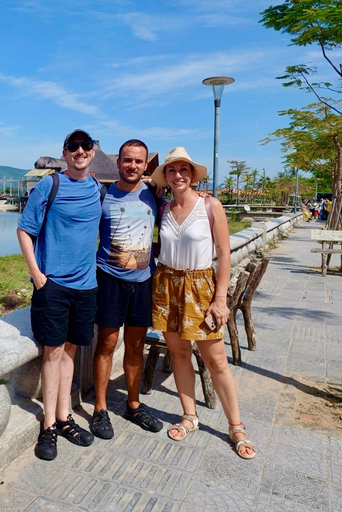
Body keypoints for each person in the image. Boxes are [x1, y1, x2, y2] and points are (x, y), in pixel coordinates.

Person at [150, 147, 257, 460]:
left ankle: (236, 426)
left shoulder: (211, 206)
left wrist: (220, 299)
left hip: (201, 288)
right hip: (168, 286)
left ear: (193, 175)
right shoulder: (163, 209)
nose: (179, 175)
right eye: (172, 170)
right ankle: (189, 415)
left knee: (216, 361)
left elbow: (224, 253)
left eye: (185, 170)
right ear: (166, 178)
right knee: (180, 353)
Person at [17, 129, 101, 460]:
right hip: (53, 286)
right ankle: (49, 425)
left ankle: (65, 418)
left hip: (86, 286)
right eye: (73, 146)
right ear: (65, 153)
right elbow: (24, 229)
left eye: (85, 146)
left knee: (69, 353)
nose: (80, 151)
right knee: (52, 354)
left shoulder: (96, 188)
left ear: (93, 152)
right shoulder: (48, 186)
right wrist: (38, 276)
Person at [90, 139, 163, 439]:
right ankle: (100, 409)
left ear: (146, 165)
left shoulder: (155, 195)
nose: (132, 165)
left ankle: (134, 404)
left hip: (143, 283)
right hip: (109, 280)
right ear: (118, 162)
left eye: (138, 161)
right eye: (127, 160)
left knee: (135, 346)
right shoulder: (103, 195)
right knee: (106, 345)